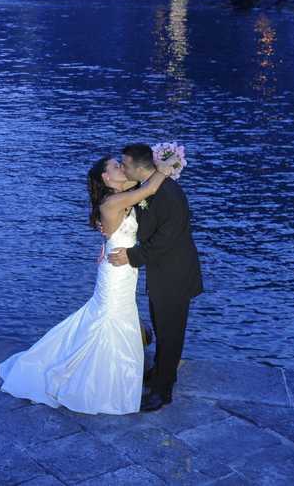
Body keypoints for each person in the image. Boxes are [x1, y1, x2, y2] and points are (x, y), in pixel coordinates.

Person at [0, 157, 169, 414]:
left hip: (121, 267)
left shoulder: (124, 193)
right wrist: (170, 164)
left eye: (120, 163)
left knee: (112, 317)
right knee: (110, 318)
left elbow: (141, 180)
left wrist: (156, 161)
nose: (121, 166)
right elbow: (150, 188)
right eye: (114, 166)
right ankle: (102, 385)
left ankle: (113, 378)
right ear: (106, 178)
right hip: (116, 273)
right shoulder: (113, 202)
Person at [109, 142, 204, 412]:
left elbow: (166, 239)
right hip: (162, 273)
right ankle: (161, 372)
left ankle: (163, 390)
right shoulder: (149, 187)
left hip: (175, 274)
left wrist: (133, 256)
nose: (123, 167)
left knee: (171, 332)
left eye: (125, 164)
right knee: (162, 327)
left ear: (140, 167)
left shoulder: (169, 194)